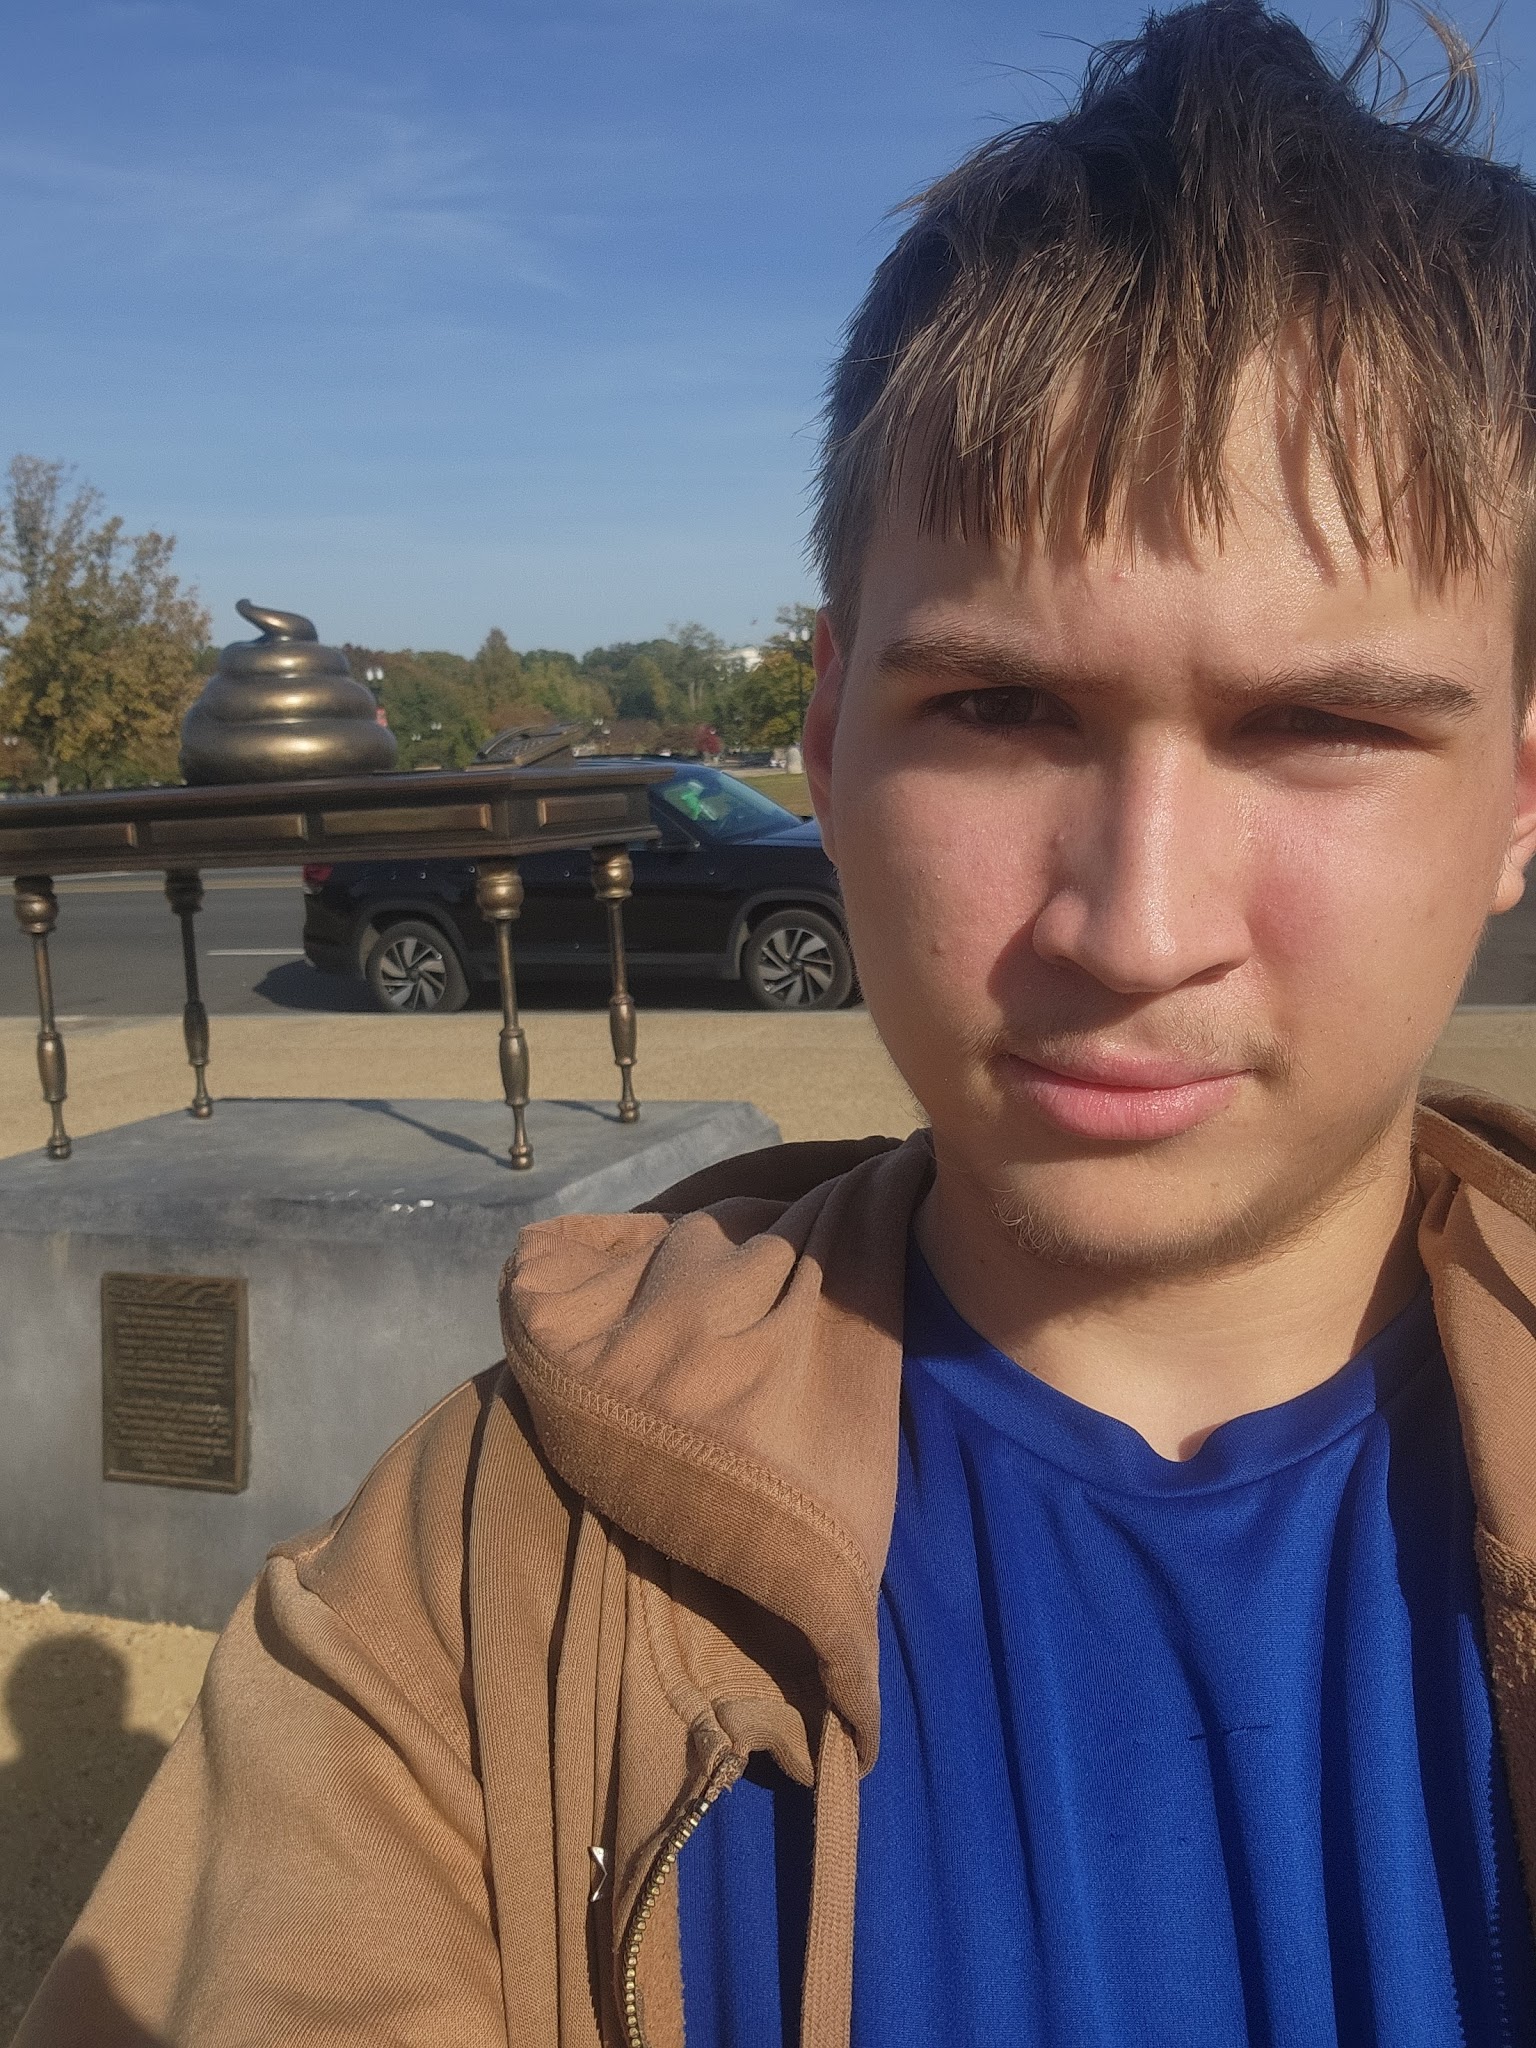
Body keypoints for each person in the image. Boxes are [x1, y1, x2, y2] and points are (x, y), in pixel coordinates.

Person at [20, 3, 1536, 2043]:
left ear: (1518, 790)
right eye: (1000, 708)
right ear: (825, 735)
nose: (1135, 922)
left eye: (1324, 726)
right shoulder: (470, 1596)